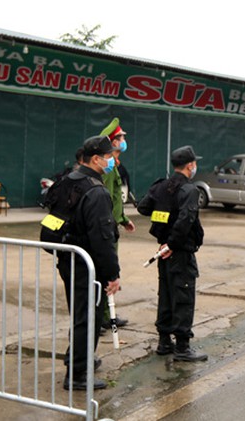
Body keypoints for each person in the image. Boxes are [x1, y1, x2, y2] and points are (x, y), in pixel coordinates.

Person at [51, 135, 121, 390]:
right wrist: (113, 273)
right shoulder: (96, 191)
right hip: (87, 265)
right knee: (88, 318)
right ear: (95, 159)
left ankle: (77, 358)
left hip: (68, 259)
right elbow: (102, 238)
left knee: (80, 315)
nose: (113, 160)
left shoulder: (66, 181)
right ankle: (77, 374)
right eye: (109, 156)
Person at [136, 145, 208, 362]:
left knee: (166, 294)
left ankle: (164, 341)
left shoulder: (161, 186)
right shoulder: (190, 190)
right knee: (183, 297)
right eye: (194, 163)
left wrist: (165, 237)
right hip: (179, 251)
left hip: (163, 251)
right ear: (190, 165)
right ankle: (182, 347)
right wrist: (172, 244)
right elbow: (186, 220)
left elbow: (143, 208)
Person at [99, 117, 135, 330]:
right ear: (112, 142)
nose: (123, 140)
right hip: (106, 227)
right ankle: (102, 317)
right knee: (107, 270)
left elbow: (115, 199)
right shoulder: (108, 168)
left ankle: (105, 314)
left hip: (113, 223)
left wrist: (123, 219)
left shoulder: (115, 166)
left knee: (108, 270)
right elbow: (105, 199)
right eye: (119, 137)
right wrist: (112, 222)